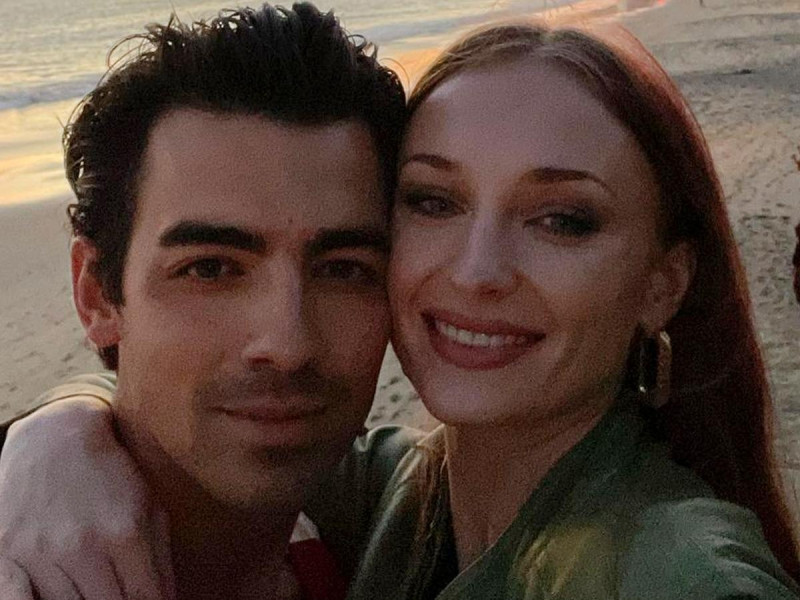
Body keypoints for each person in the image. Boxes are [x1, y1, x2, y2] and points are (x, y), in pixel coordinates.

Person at [3, 18, 800, 600]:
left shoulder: (683, 574)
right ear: (96, 294)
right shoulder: (398, 498)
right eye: (434, 201)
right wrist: (55, 433)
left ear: (662, 283)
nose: (478, 272)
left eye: (563, 220)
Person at [0, 3, 407, 599]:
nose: (288, 344)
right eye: (209, 269)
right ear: (97, 295)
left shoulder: (396, 519)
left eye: (344, 270)